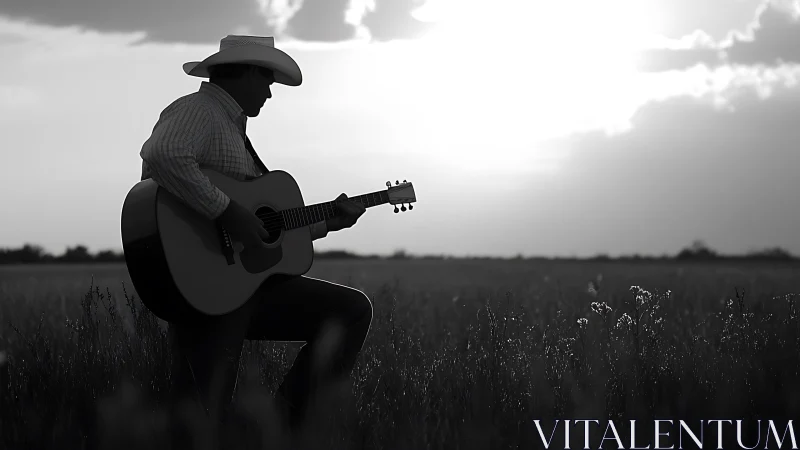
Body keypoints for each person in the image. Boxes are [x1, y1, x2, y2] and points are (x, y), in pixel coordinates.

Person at [138, 35, 373, 444]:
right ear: (244, 70)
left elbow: (265, 228)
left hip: (240, 286)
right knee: (199, 418)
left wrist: (330, 222)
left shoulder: (231, 129)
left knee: (350, 311)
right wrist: (228, 212)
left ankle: (274, 432)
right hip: (204, 280)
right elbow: (164, 154)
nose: (269, 92)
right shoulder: (200, 110)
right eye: (266, 79)